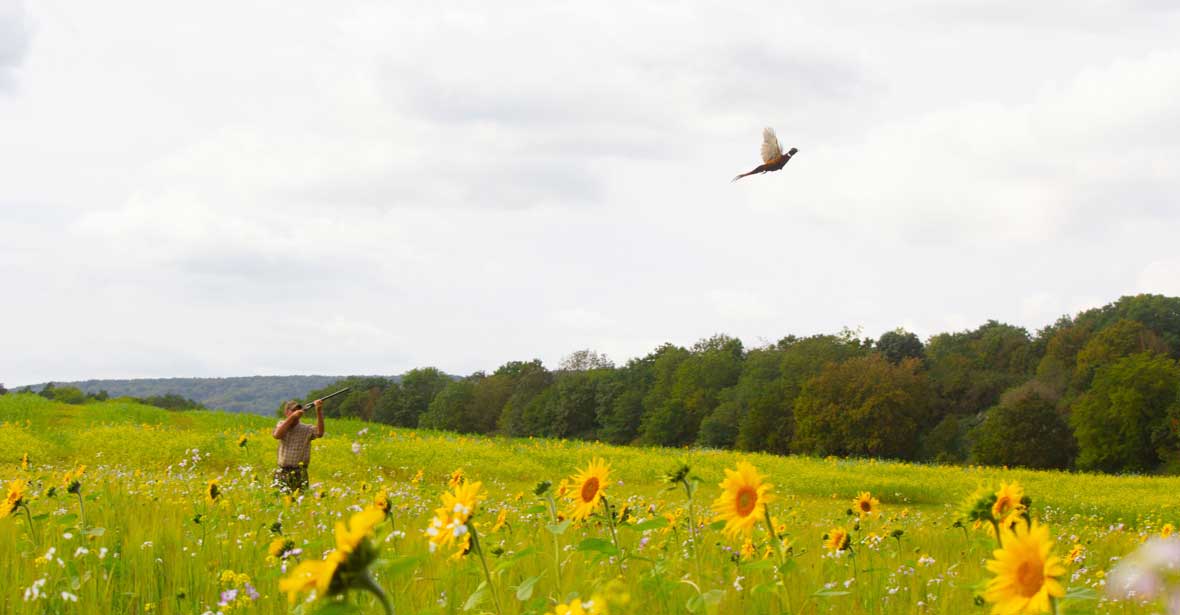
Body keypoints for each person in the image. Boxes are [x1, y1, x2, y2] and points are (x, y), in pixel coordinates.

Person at [272, 398, 324, 493]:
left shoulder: (306, 429)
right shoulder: (281, 424)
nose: (296, 412)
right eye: (293, 410)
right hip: (282, 472)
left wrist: (319, 411)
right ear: (287, 412)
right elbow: (277, 435)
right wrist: (292, 417)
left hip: (300, 473)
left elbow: (320, 433)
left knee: (300, 501)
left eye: (298, 410)